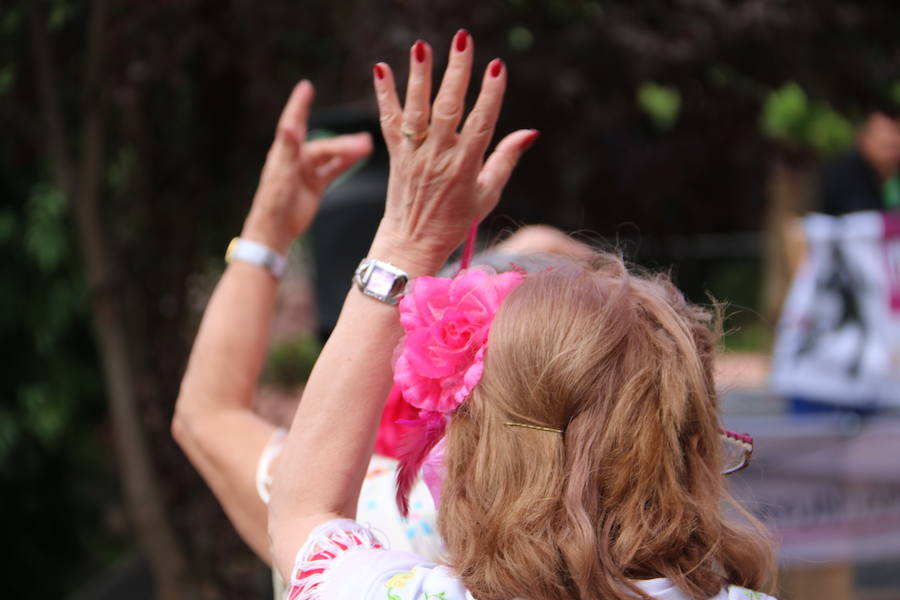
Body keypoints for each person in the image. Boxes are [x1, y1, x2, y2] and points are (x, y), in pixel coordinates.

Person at [178, 31, 776, 600]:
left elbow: (229, 435)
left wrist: (289, 234)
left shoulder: (392, 530)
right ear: (690, 446)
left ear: (467, 432)